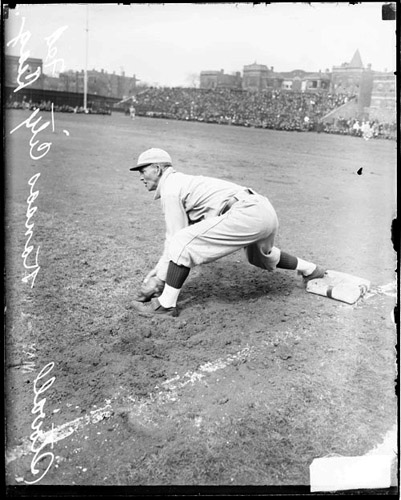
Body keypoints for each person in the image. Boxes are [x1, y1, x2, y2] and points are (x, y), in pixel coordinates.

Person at [130, 148, 326, 317]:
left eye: (143, 170)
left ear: (157, 168)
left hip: (246, 211)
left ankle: (165, 305)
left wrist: (159, 279)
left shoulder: (171, 188)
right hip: (262, 208)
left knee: (182, 242)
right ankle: (311, 270)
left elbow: (175, 237)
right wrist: (159, 271)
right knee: (261, 256)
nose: (140, 176)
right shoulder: (180, 182)